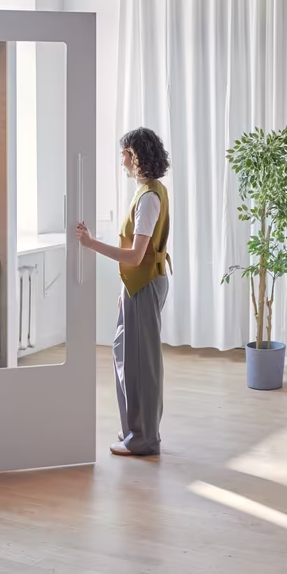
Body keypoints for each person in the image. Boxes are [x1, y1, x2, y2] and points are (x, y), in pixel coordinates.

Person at [76, 128, 171, 457]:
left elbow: (135, 256)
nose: (122, 161)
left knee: (141, 364)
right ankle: (135, 429)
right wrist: (124, 289)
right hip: (138, 285)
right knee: (124, 353)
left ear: (138, 157)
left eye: (125, 154)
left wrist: (90, 244)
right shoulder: (147, 191)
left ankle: (144, 439)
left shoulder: (148, 198)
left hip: (145, 284)